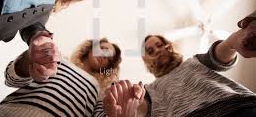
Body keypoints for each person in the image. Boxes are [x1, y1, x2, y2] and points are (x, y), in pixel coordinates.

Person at [102, 13, 256, 117]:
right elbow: (142, 107)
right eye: (151, 50)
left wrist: (234, 40)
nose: (158, 50)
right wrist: (129, 103)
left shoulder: (195, 61)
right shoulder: (148, 89)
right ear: (146, 60)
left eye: (160, 44)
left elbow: (221, 52)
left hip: (239, 108)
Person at [0, 36, 121, 116]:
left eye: (109, 58)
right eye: (103, 49)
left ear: (107, 67)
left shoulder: (100, 92)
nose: (104, 56)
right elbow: (11, 78)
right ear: (90, 47)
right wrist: (28, 61)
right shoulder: (58, 58)